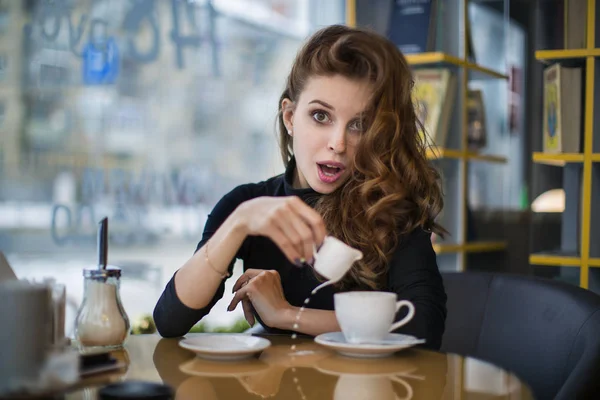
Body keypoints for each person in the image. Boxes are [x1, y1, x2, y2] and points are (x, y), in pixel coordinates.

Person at [153, 24, 448, 350]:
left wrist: (285, 315)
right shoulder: (247, 204)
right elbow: (170, 320)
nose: (338, 143)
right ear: (290, 117)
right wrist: (239, 223)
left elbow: (423, 328)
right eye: (321, 116)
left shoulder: (391, 208)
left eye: (359, 125)